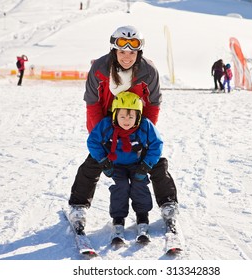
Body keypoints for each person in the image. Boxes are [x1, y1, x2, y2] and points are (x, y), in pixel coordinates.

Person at [68, 25, 178, 235]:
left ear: (139, 52)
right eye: (122, 52)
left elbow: (153, 104)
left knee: (157, 164)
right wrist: (101, 137)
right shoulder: (100, 69)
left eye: (132, 52)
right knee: (90, 166)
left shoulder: (148, 71)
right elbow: (93, 104)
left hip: (137, 125)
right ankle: (78, 206)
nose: (127, 57)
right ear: (114, 51)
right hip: (109, 124)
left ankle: (168, 205)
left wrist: (144, 134)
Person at [87, 91, 163, 243]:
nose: (126, 121)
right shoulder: (107, 125)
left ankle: (142, 218)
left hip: (138, 165)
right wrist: (103, 160)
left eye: (131, 117)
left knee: (139, 185)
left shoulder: (145, 126)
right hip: (116, 166)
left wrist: (147, 164)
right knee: (120, 187)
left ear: (138, 116)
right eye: (122, 116)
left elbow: (157, 144)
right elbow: (93, 141)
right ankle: (118, 220)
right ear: (115, 115)